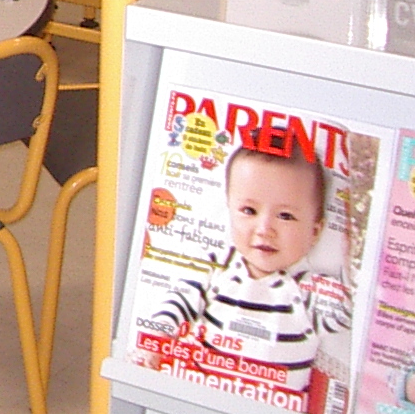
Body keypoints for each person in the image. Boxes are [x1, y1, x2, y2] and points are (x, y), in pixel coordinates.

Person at [145, 145, 349, 394]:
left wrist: (355, 260)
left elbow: (346, 315)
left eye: (285, 216)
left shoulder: (310, 288)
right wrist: (156, 339)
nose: (264, 228)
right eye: (249, 211)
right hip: (202, 395)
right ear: (230, 211)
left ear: (314, 232)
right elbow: (178, 302)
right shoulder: (216, 264)